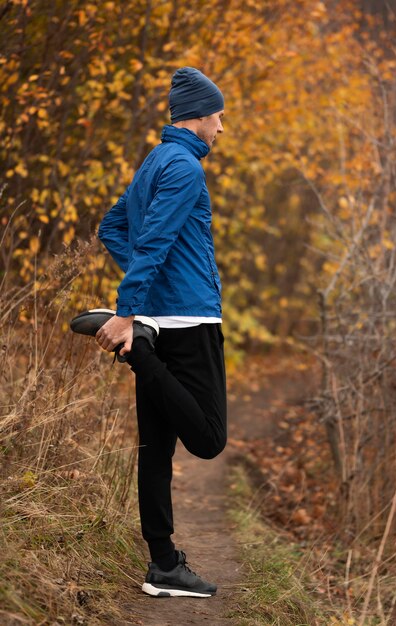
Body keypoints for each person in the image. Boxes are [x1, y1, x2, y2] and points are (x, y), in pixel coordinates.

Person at [95, 67, 227, 597]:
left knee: (156, 450)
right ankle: (138, 354)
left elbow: (114, 227)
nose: (221, 127)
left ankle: (164, 566)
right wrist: (129, 315)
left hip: (153, 320)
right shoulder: (186, 169)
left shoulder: (155, 161)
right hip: (189, 322)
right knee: (209, 438)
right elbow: (149, 244)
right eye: (218, 116)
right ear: (198, 114)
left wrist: (139, 306)